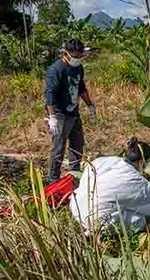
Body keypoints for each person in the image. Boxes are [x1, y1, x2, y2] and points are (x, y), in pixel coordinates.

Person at [69, 138, 150, 233]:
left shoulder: (103, 161)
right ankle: (101, 235)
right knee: (139, 220)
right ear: (142, 161)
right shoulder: (138, 184)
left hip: (76, 209)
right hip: (95, 220)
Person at [45, 38, 96, 182]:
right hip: (60, 115)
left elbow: (81, 87)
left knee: (77, 145)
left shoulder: (78, 67)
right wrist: (52, 117)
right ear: (66, 54)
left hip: (74, 112)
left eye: (80, 56)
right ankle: (53, 179)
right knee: (58, 149)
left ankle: (74, 176)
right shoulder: (56, 70)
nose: (78, 59)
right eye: (75, 57)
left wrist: (90, 105)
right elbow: (50, 93)